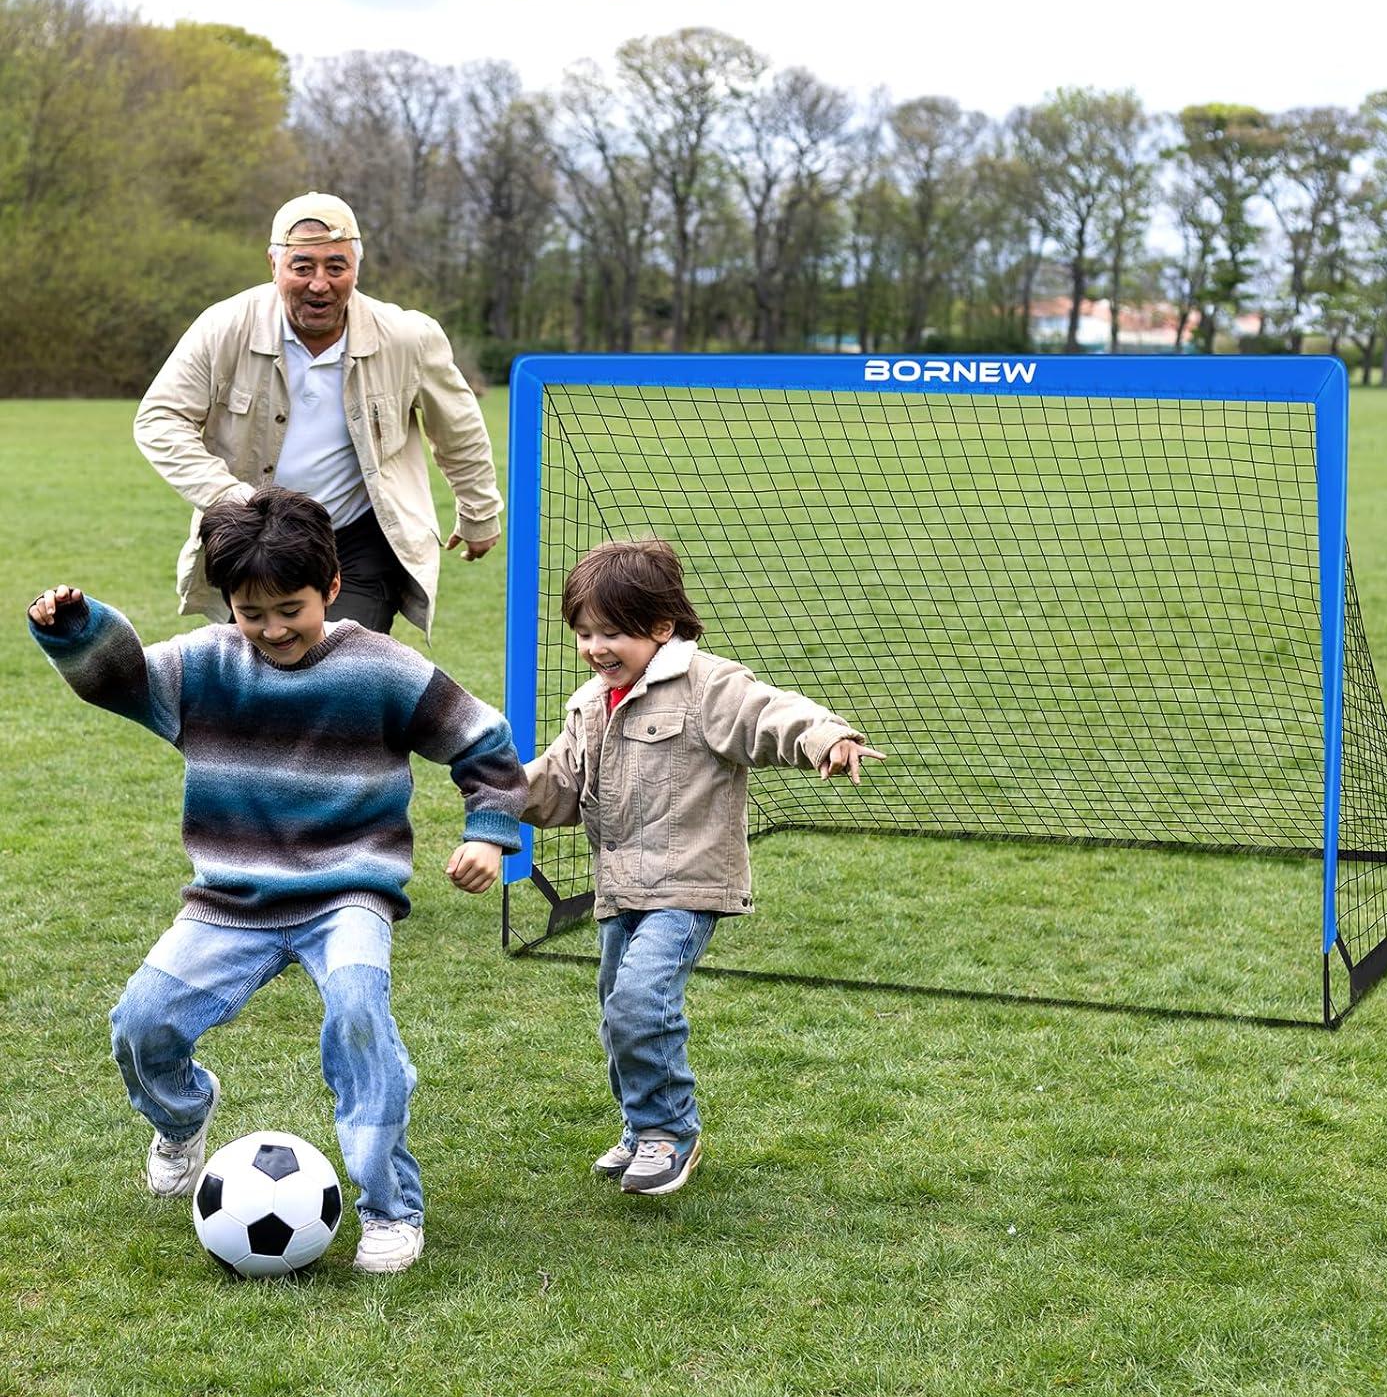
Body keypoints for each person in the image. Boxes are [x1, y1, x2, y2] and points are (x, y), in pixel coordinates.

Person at [27, 488, 525, 1274]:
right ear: (228, 604)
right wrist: (77, 628)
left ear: (330, 587)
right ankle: (183, 1115)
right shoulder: (205, 665)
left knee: (361, 1014)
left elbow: (483, 741)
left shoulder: (383, 669)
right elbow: (118, 679)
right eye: (250, 612)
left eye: (289, 608)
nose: (271, 629)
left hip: (345, 892)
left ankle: (392, 1208)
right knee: (140, 1025)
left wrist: (490, 834)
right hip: (231, 897)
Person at [522, 539, 885, 1196]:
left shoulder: (708, 687)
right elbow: (560, 787)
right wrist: (502, 789)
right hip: (620, 889)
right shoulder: (589, 704)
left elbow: (774, 714)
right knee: (617, 1010)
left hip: (688, 886)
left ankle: (670, 1133)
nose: (596, 648)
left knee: (640, 1000)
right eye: (583, 633)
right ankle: (640, 1130)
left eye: (613, 633)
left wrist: (827, 736)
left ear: (662, 628)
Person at [134, 192, 501, 639]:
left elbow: (458, 429)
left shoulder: (409, 337)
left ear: (356, 269)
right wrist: (229, 495)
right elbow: (159, 419)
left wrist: (479, 511)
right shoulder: (223, 327)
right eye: (302, 267)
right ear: (274, 266)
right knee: (257, 667)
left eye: (336, 266)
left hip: (356, 537)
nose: (319, 283)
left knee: (337, 666)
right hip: (254, 536)